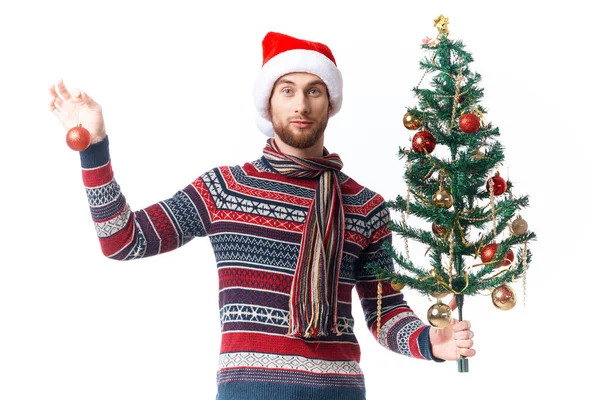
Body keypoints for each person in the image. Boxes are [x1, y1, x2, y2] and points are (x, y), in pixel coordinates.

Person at [48, 31, 475, 400]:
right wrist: (94, 148)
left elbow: (385, 312)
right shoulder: (225, 189)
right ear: (268, 103)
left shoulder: (364, 205)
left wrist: (431, 341)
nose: (301, 104)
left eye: (314, 90)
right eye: (287, 90)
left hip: (340, 392)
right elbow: (123, 240)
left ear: (330, 103)